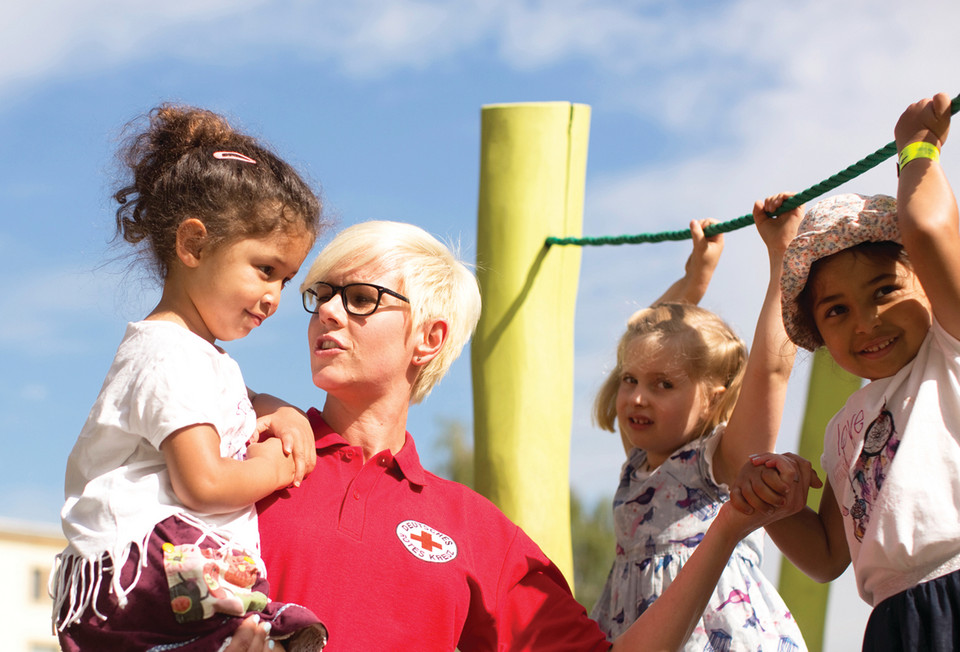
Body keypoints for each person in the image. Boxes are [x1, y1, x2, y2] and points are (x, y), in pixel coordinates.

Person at [238, 219, 818, 652]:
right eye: (322, 296)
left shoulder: (478, 533)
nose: (329, 314)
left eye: (361, 298)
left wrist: (727, 529)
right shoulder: (238, 447)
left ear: (429, 338)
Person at [50, 104, 329, 651]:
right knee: (255, 619)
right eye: (265, 269)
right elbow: (203, 483)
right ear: (195, 245)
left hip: (147, 580)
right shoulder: (168, 355)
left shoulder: (192, 355)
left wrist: (277, 408)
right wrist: (274, 467)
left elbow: (230, 402)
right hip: (139, 574)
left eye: (287, 278)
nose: (274, 297)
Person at [732, 92, 960, 651]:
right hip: (894, 624)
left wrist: (916, 151)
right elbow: (828, 556)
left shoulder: (950, 351)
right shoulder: (845, 428)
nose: (866, 322)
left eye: (885, 290)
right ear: (818, 333)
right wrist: (775, 508)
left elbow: (928, 232)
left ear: (925, 282)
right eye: (837, 311)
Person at [588, 198, 807, 650]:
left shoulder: (719, 464)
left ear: (714, 398)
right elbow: (639, 342)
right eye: (630, 380)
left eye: (664, 384)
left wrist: (783, 257)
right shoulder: (638, 461)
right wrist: (693, 281)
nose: (636, 396)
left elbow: (770, 372)